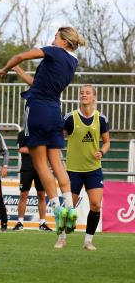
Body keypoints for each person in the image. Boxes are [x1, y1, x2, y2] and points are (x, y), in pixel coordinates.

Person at [0, 27, 86, 236]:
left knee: (40, 163)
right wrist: (19, 71)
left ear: (64, 41)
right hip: (55, 110)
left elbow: (21, 55)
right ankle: (70, 209)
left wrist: (5, 68)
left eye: (55, 37)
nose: (52, 40)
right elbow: (39, 84)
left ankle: (56, 209)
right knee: (56, 162)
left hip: (37, 108)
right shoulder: (72, 62)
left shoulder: (54, 52)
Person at [55, 84, 110, 250]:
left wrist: (102, 151)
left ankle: (88, 241)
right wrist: (58, 159)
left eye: (87, 93)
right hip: (73, 170)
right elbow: (58, 139)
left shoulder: (101, 119)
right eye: (81, 93)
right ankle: (62, 238)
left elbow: (107, 142)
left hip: (93, 170)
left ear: (94, 97)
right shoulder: (70, 118)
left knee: (95, 204)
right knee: (67, 209)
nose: (83, 95)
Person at [13, 130, 52, 232]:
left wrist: (33, 150)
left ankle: (42, 223)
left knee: (41, 195)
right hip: (27, 168)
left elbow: (48, 149)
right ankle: (20, 222)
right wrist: (39, 150)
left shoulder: (43, 132)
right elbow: (22, 149)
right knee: (24, 194)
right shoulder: (23, 133)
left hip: (41, 168)